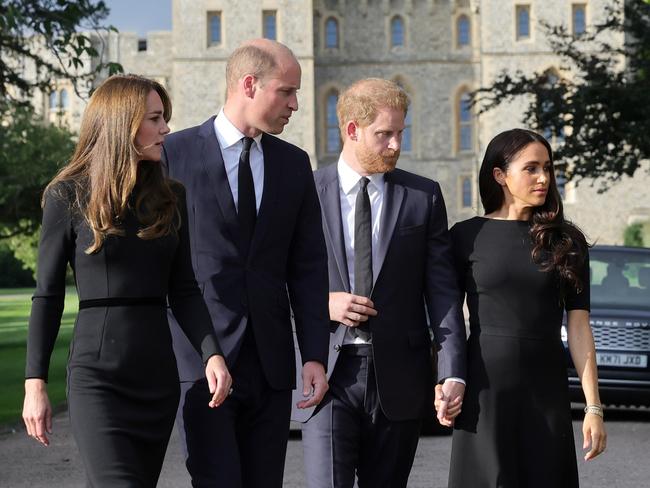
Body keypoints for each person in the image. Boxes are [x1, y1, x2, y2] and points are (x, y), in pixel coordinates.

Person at [22, 74, 232, 487]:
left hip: (156, 379)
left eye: (164, 118)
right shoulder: (68, 195)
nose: (166, 129)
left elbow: (185, 289)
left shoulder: (172, 197)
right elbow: (46, 296)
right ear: (124, 124)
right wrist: (35, 383)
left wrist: (212, 354)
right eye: (155, 119)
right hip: (98, 380)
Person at [162, 38, 330, 487]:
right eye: (287, 91)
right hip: (201, 360)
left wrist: (313, 354)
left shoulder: (294, 164)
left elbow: (309, 266)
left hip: (272, 365)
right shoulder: (173, 154)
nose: (295, 104)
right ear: (249, 84)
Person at [293, 78, 467, 488]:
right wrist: (323, 303)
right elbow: (272, 278)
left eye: (399, 133)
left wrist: (451, 372)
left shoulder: (423, 196)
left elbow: (442, 292)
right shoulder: (305, 192)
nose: (395, 145)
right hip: (326, 371)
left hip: (399, 376)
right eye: (383, 135)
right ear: (352, 130)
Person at [440, 128, 607, 487]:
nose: (544, 177)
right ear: (500, 175)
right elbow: (446, 317)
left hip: (545, 390)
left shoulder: (567, 241)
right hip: (484, 392)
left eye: (548, 167)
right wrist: (443, 379)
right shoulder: (464, 236)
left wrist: (593, 407)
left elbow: (579, 327)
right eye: (531, 168)